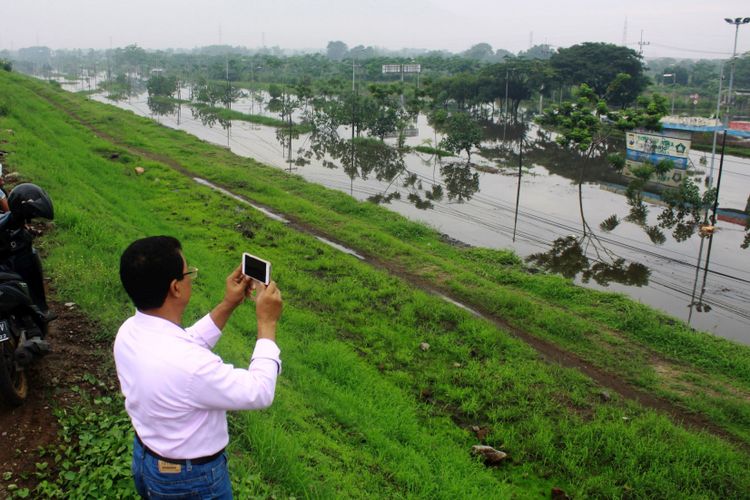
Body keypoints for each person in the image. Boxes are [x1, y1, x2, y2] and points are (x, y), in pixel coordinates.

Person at [114, 236, 283, 499]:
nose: (191, 276)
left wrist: (228, 304)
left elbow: (186, 343)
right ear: (175, 288)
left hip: (147, 459)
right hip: (191, 481)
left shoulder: (129, 332)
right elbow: (259, 391)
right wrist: (267, 322)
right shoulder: (190, 366)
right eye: (188, 272)